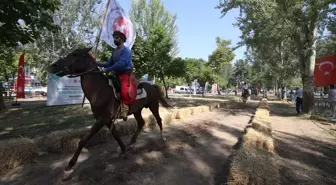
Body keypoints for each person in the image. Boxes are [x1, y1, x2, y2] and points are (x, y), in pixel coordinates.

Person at [96, 30, 135, 120]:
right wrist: (96, 63)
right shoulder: (115, 51)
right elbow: (108, 63)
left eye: (116, 38)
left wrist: (108, 69)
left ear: (121, 39)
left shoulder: (126, 50)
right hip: (116, 74)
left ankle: (125, 110)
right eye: (114, 37)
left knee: (124, 90)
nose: (115, 39)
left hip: (126, 75)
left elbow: (121, 63)